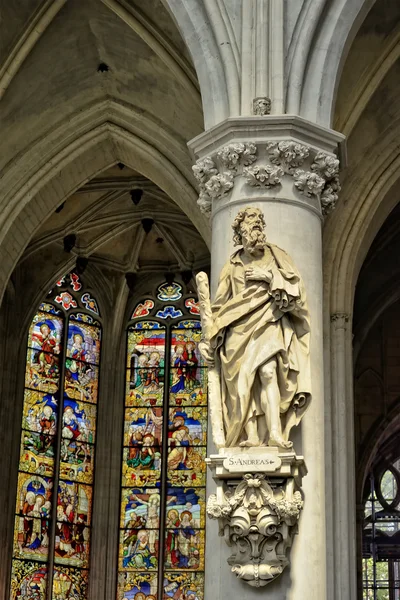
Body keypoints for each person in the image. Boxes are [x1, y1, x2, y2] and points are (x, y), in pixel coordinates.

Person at [198, 207, 311, 448]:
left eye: (259, 221)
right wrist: (206, 341)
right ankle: (251, 436)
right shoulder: (232, 266)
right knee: (242, 385)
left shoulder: (276, 256)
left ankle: (275, 434)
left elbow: (296, 292)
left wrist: (269, 278)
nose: (256, 226)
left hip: (268, 320)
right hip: (237, 333)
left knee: (269, 372)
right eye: (250, 222)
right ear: (240, 232)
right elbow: (219, 307)